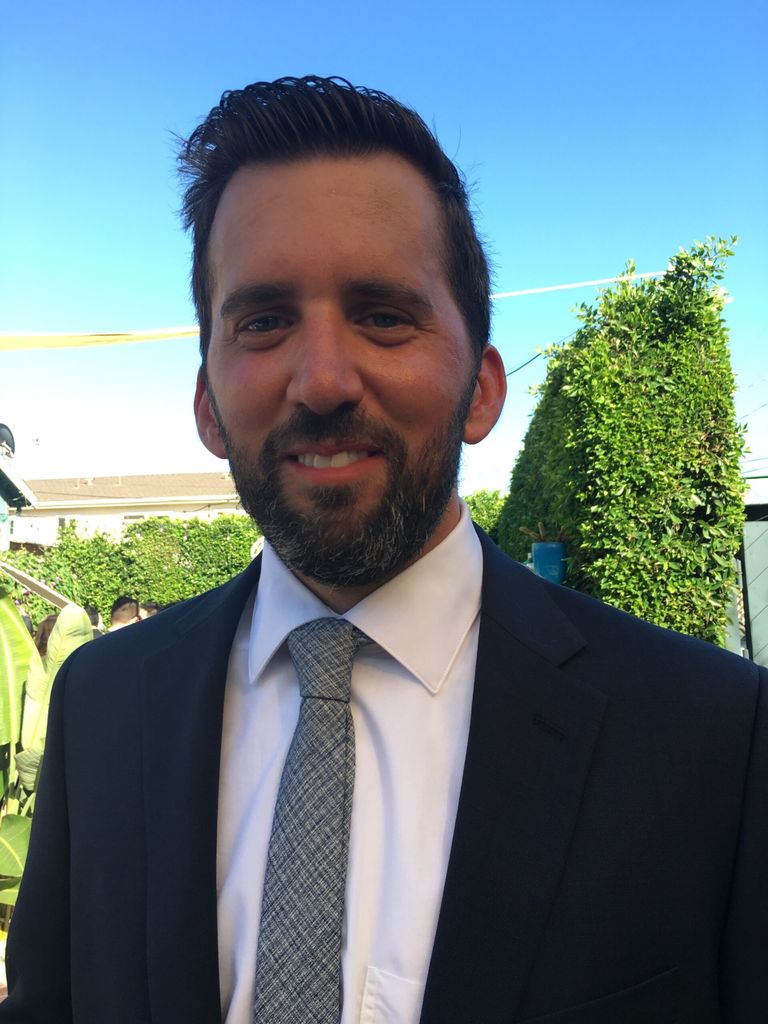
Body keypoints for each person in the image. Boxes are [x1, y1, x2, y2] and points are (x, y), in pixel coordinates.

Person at [2, 76, 766, 1024]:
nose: (322, 380)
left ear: (482, 389)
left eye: (384, 316)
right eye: (264, 321)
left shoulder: (712, 737)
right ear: (207, 404)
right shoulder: (104, 706)